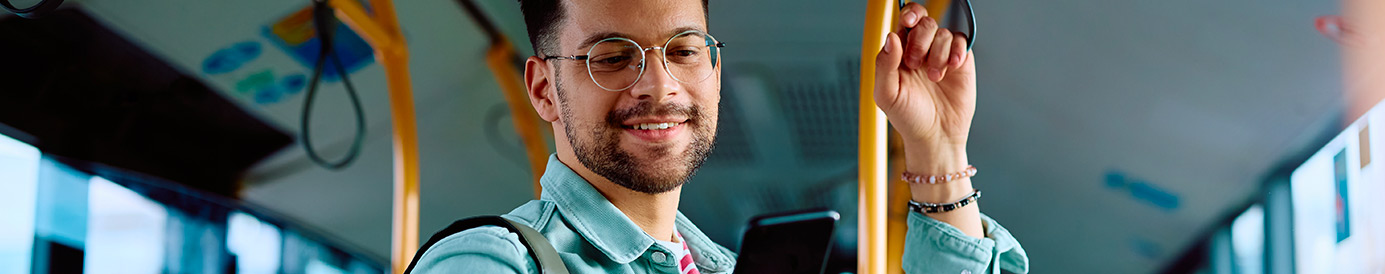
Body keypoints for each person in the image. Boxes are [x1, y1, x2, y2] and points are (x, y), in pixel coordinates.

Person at [413, 0, 1029, 273]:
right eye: (612, 56)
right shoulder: (489, 263)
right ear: (544, 89)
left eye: (683, 50)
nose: (659, 86)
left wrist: (939, 147)